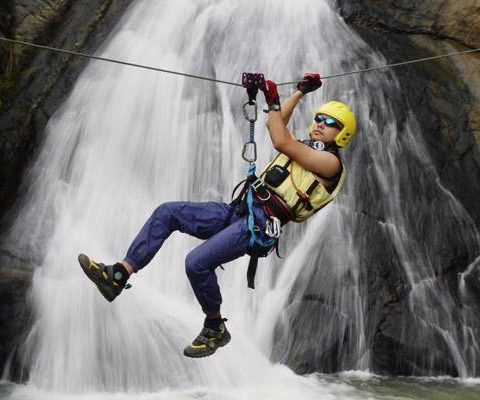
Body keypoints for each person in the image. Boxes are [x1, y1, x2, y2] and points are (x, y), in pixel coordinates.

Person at [77, 73, 357, 358]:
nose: (322, 124)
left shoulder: (329, 164)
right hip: (241, 210)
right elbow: (278, 126)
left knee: (196, 263)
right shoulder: (305, 146)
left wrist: (272, 100)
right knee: (168, 212)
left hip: (258, 227)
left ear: (342, 134)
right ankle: (119, 274)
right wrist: (299, 92)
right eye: (320, 119)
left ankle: (214, 326)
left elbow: (280, 141)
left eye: (332, 123)